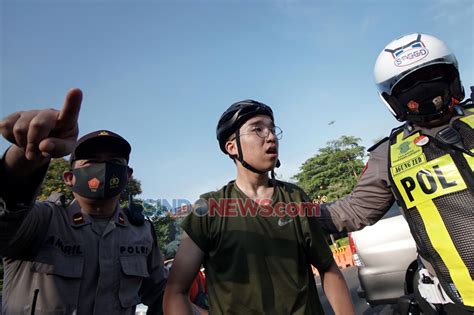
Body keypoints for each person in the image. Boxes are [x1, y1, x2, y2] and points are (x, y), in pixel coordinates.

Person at [318, 33, 474, 314]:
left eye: (433, 78)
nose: (425, 93)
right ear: (394, 102)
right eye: (411, 88)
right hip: (459, 302)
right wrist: (288, 212)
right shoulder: (388, 155)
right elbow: (353, 211)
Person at [164, 100, 355, 314]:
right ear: (232, 147)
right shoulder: (209, 209)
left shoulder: (295, 198)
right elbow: (175, 293)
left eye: (272, 129)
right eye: (258, 129)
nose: (271, 136)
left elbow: (328, 269)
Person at [0, 89, 166, 314]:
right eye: (92, 162)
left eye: (114, 161)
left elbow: (161, 294)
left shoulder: (142, 231)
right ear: (69, 178)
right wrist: (25, 159)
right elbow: (8, 214)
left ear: (127, 175)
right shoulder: (41, 221)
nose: (104, 168)